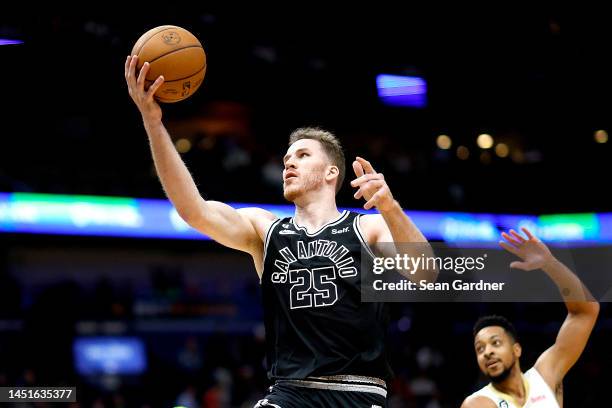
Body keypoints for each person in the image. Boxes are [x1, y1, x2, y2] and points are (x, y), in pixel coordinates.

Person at [125, 55, 435, 407]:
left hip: (358, 393)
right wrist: (153, 123)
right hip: (290, 393)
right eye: (287, 158)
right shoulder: (266, 229)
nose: (289, 162)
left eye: (302, 155)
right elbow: (193, 211)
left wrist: (391, 207)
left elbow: (426, 273)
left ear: (332, 173)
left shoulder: (368, 226)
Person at [461, 228, 599, 407]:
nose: (487, 352)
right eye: (480, 349)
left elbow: (585, 312)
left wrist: (550, 264)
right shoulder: (478, 403)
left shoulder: (546, 376)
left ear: (516, 349)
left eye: (495, 343)